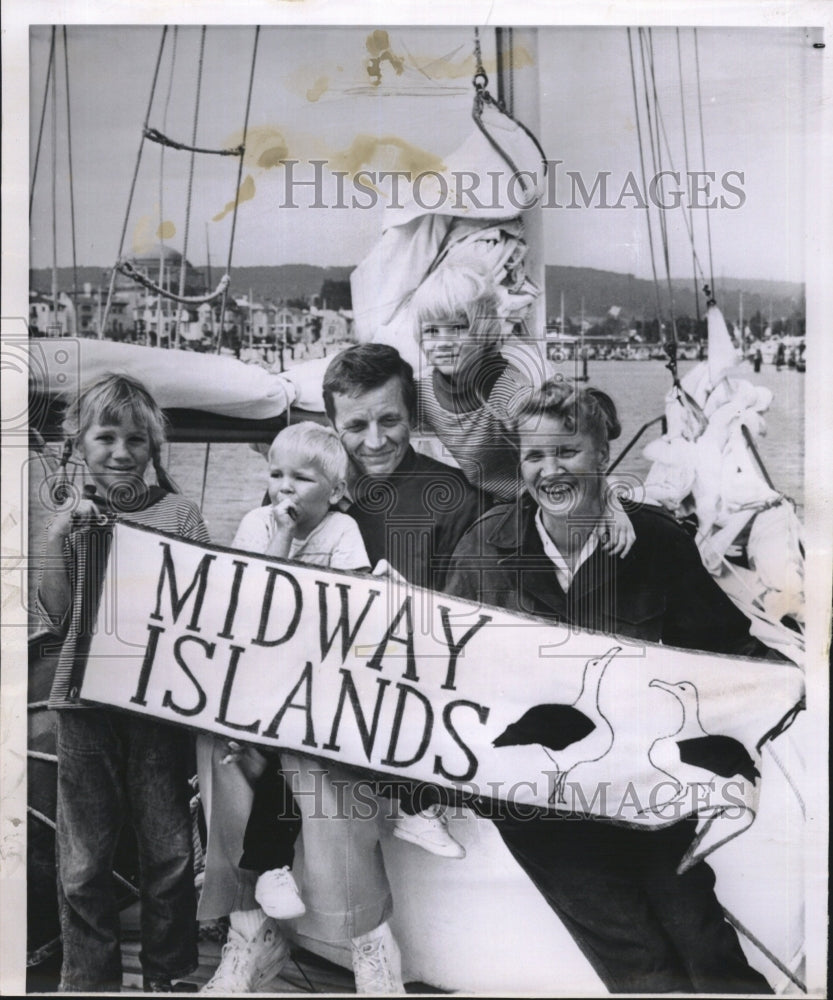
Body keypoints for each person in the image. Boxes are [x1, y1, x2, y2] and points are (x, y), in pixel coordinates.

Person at [444, 378, 775, 995]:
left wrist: (780, 708)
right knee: (637, 955)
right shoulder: (485, 547)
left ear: (602, 453)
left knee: (700, 934)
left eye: (567, 451)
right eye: (534, 456)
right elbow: (445, 666)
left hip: (640, 775)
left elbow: (726, 649)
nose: (550, 470)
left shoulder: (657, 541)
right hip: (538, 795)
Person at [196, 346, 484, 994]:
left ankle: (368, 941)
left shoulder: (451, 498)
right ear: (332, 424)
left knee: (317, 750)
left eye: (390, 420)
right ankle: (250, 931)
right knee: (221, 742)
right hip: (295, 679)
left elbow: (463, 626)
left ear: (413, 415)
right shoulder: (304, 485)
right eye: (355, 425)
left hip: (393, 688)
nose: (374, 440)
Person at [36, 373, 208, 993]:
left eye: (136, 439)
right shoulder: (69, 518)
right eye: (105, 437)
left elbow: (207, 610)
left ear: (153, 446)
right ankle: (89, 979)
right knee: (83, 858)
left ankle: (169, 973)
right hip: (82, 703)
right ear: (78, 444)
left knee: (169, 850)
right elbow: (58, 616)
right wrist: (58, 535)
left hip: (157, 703)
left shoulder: (181, 514)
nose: (120, 451)